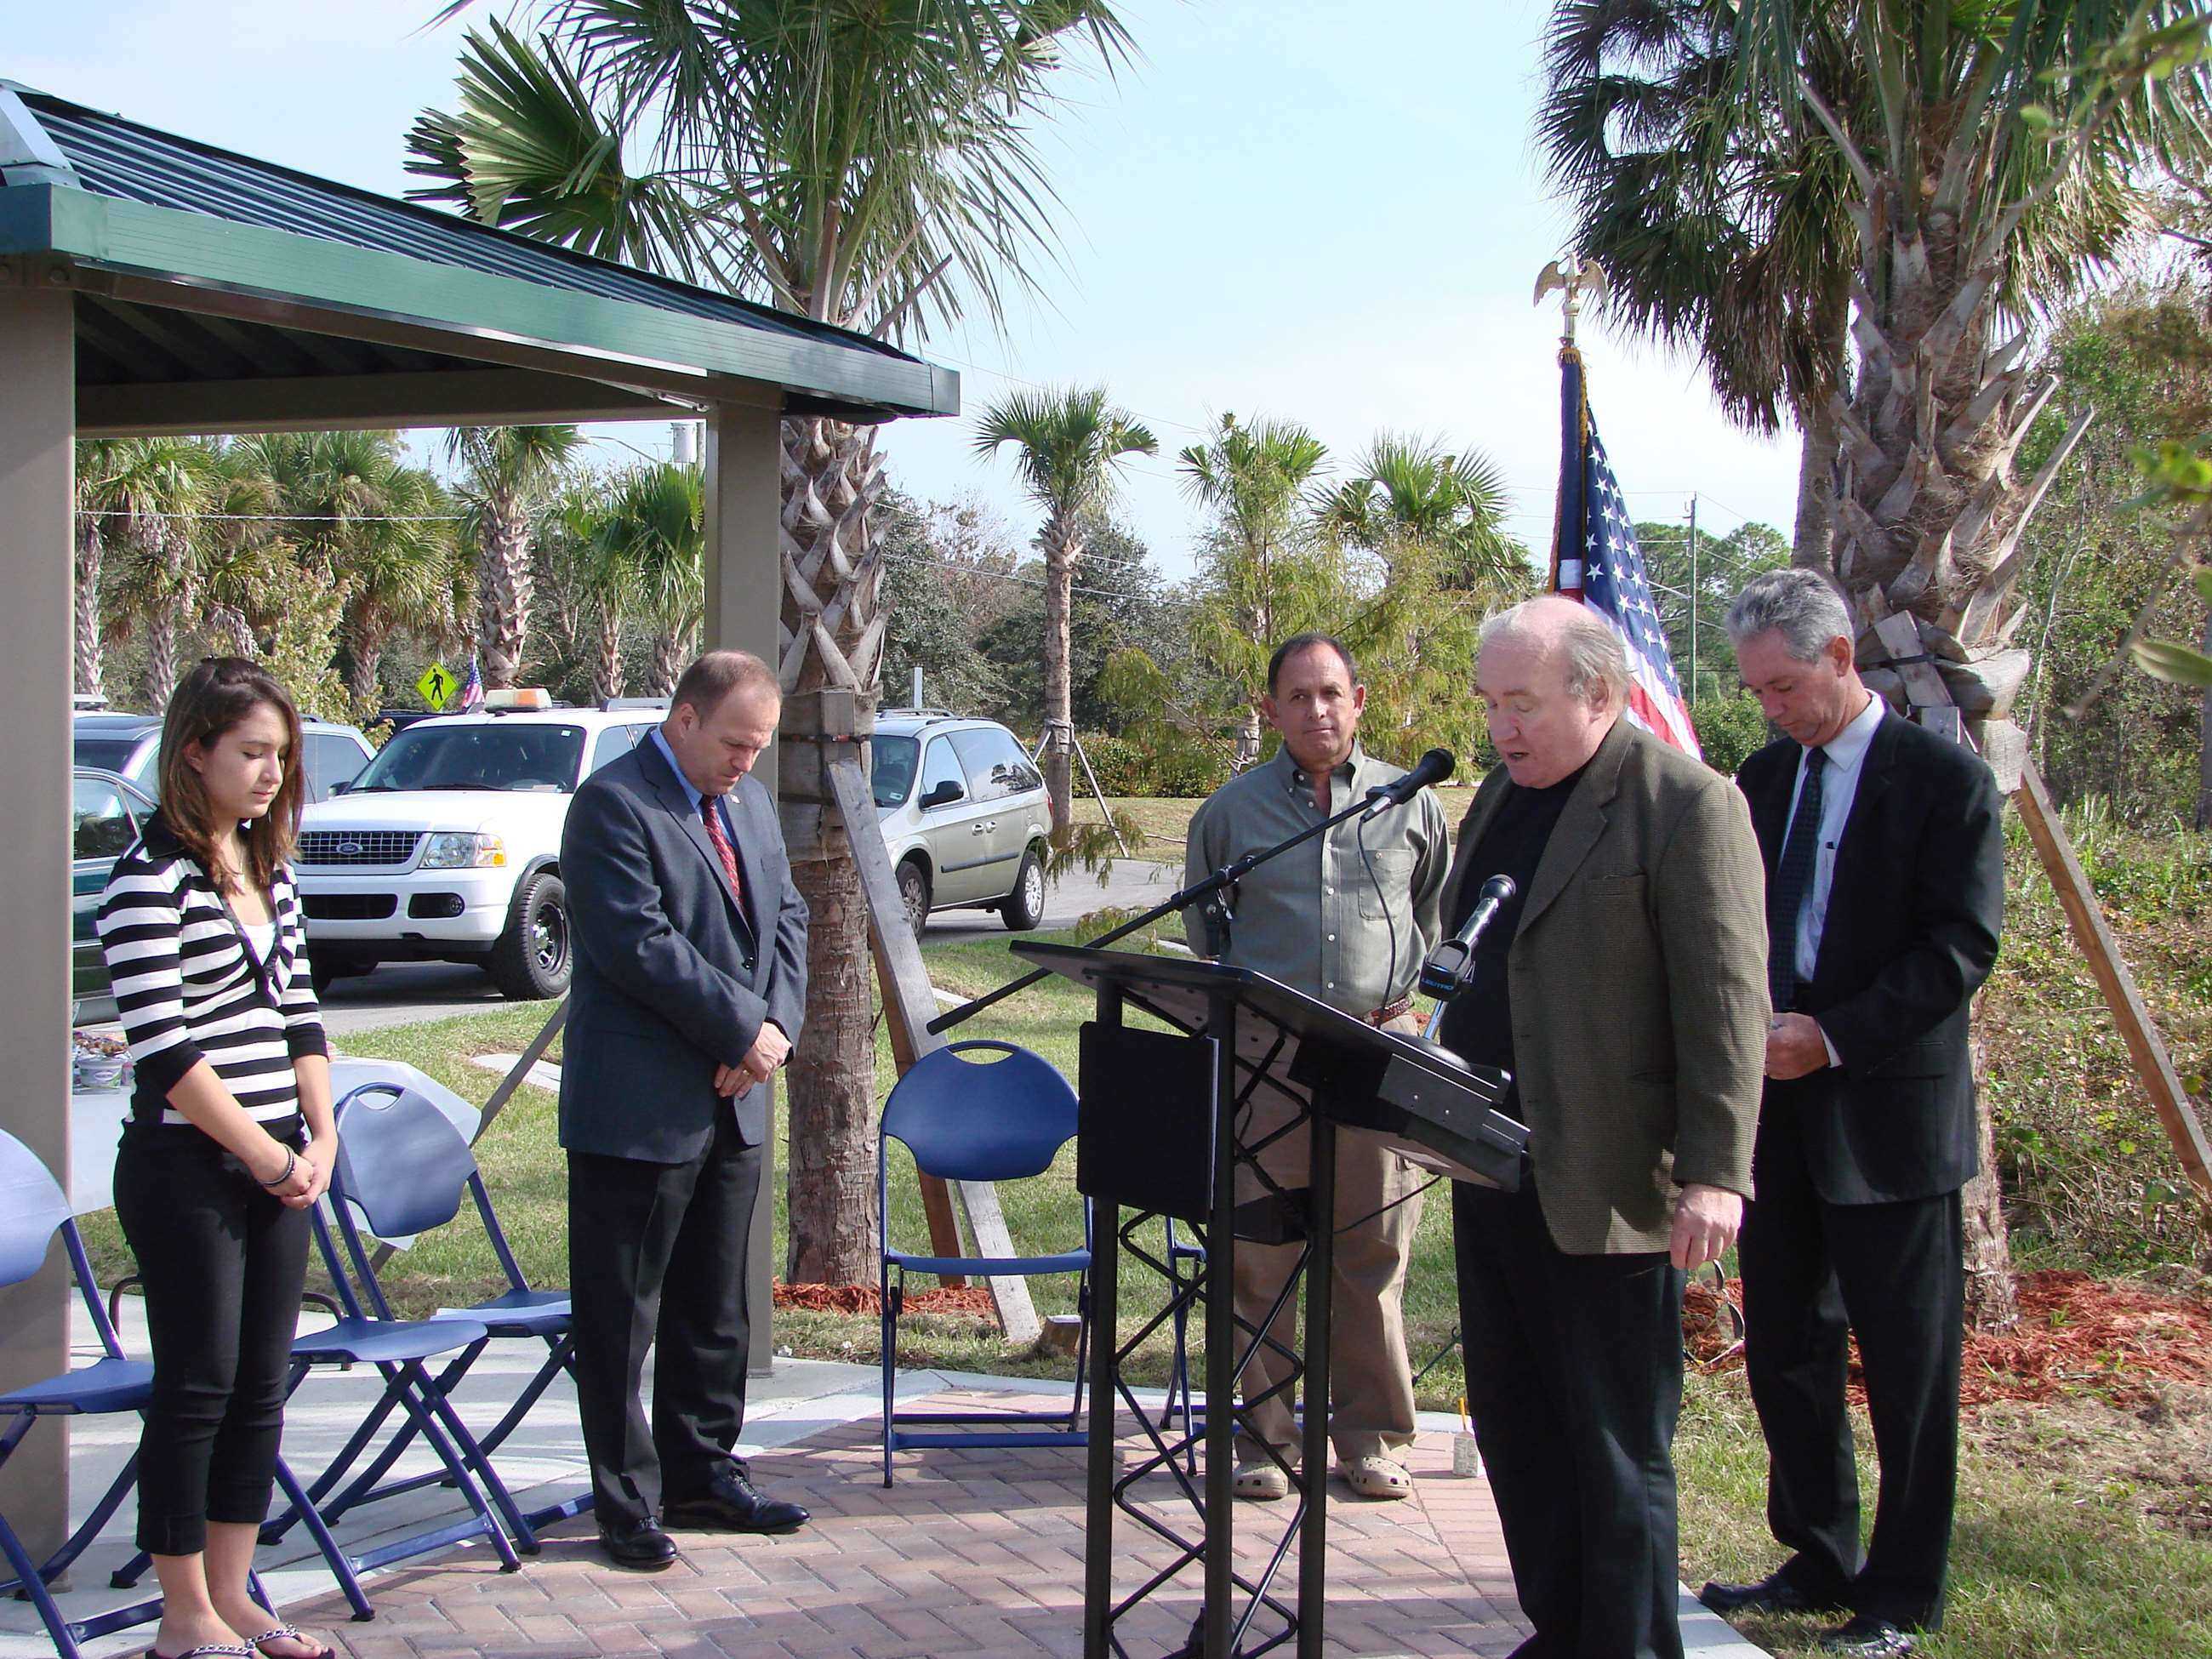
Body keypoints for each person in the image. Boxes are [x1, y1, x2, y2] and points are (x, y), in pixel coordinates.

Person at [1436, 596, 1767, 1659]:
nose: (1500, 728)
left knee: (1614, 1446)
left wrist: (1716, 1173)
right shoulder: (1497, 794)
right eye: (1489, 705)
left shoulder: (1683, 804)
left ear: (1598, 692)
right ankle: (1563, 1628)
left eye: (1521, 704)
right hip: (1491, 1165)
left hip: (1615, 1183)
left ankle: (1625, 1643)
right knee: (1520, 1431)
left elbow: (1724, 1004)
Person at [1699, 571, 2005, 1659]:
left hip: (1889, 1125)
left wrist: (1829, 1036)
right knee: (1786, 1347)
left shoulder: (1942, 782)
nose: (1770, 708)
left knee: (1909, 1373)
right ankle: (1815, 1554)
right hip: (1774, 1121)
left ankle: (1899, 1594)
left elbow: (1959, 948)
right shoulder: (1759, 780)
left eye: (1783, 686)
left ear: (1839, 660)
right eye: (1755, 691)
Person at [96, 657, 337, 1659]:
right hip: (187, 1172)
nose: (271, 773)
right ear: (194, 752)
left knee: (259, 1384)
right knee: (197, 1383)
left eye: (281, 755)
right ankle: (182, 1612)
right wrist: (265, 1158)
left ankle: (237, 1596)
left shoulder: (270, 875)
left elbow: (302, 1015)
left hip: (282, 1166)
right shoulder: (145, 879)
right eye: (251, 753)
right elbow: (167, 1052)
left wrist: (318, 1138)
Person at [1181, 633, 1450, 1504]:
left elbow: (1430, 919)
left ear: (1359, 700)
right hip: (1267, 1063)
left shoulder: (1410, 804)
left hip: (1374, 1056)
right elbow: (1207, 932)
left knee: (1369, 1256)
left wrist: (1405, 1010)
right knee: (1258, 1254)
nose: (1316, 711)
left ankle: (1369, 1439)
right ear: (1269, 709)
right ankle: (1260, 1443)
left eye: (1330, 693)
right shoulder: (1230, 813)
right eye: (1296, 697)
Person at [560, 649, 812, 1571]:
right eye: (736, 743)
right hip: (640, 1105)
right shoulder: (613, 805)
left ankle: (703, 1472)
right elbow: (636, 943)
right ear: (684, 719)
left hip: (737, 1094)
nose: (747, 763)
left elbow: (788, 916)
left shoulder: (745, 800)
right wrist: (739, 1029)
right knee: (623, 1314)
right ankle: (625, 1500)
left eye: (758, 748)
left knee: (714, 1303)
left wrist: (771, 1031)